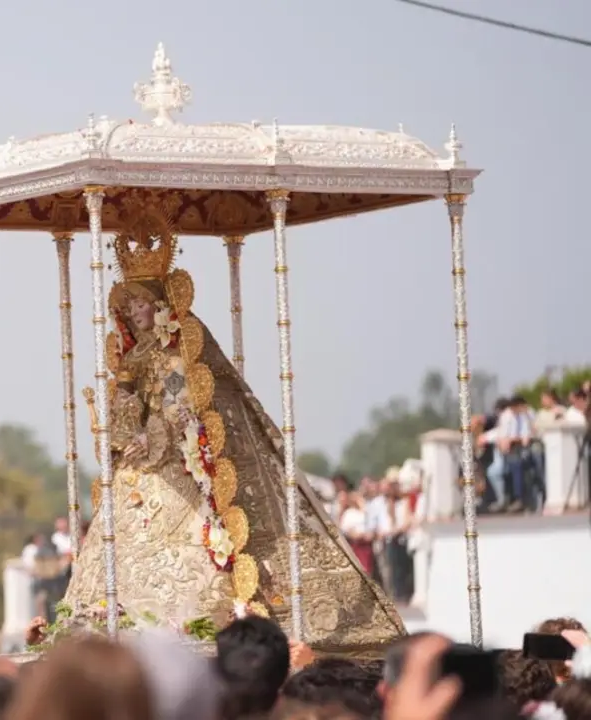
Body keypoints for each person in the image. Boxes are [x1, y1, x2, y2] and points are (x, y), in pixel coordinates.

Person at [60, 196, 402, 654]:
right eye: (129, 307)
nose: (134, 314)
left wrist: (153, 434)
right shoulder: (135, 356)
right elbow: (126, 416)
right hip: (142, 464)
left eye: (141, 305)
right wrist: (124, 411)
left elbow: (183, 407)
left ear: (160, 307)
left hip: (176, 458)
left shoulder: (176, 351)